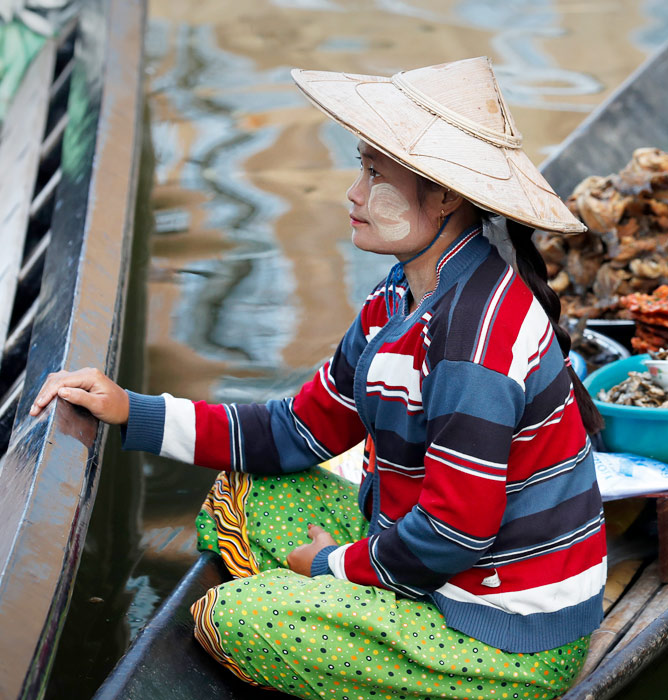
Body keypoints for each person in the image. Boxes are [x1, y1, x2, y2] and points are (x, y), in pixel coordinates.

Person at [31, 57, 607, 700]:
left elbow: (455, 529)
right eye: (360, 168)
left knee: (233, 619)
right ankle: (337, 615)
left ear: (444, 195)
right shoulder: (399, 299)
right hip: (440, 570)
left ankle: (335, 623)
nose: (353, 195)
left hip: (503, 634)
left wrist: (334, 566)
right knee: (246, 497)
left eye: (373, 174)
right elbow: (293, 430)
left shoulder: (477, 337)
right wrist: (131, 410)